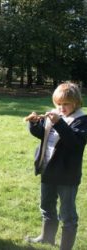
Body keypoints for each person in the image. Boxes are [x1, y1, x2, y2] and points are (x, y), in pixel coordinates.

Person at [25, 82, 87, 250]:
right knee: (46, 207)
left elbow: (74, 143)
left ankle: (65, 247)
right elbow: (43, 135)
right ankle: (47, 237)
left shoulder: (82, 120)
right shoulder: (55, 115)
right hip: (48, 170)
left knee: (67, 215)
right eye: (59, 104)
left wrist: (59, 123)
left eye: (66, 104)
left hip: (67, 175)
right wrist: (33, 124)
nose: (62, 107)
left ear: (76, 102)